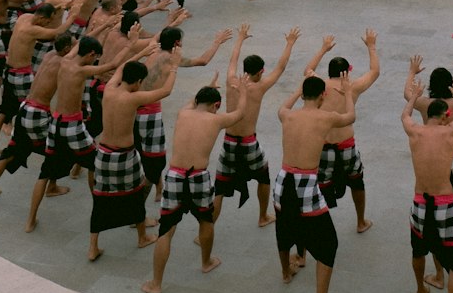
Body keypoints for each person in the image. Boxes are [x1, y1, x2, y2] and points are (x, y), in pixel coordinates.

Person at [141, 76, 247, 293]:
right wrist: (244, 92)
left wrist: (207, 86)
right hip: (198, 176)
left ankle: (156, 283)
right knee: (206, 220)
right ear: (216, 106)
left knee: (166, 230)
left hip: (175, 175)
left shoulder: (182, 113)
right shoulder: (216, 120)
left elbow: (192, 103)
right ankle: (206, 262)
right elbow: (240, 114)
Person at [89, 48, 181, 261]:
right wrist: (174, 66)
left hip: (102, 153)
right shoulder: (134, 98)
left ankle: (92, 246)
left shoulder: (110, 88)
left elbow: (121, 67)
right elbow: (165, 91)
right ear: (138, 81)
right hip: (124, 156)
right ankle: (142, 237)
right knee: (135, 194)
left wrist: (143, 51)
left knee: (100, 199)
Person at [274, 73, 354, 293]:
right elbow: (351, 117)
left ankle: (287, 272)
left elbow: (284, 105)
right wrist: (349, 92)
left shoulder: (286, 115)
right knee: (329, 243)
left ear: (303, 93)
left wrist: (298, 89)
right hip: (305, 183)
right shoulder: (326, 117)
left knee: (284, 226)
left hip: (282, 180)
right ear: (323, 95)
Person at [212, 22, 300, 225]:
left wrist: (240, 38)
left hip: (229, 141)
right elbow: (281, 67)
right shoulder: (259, 87)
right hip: (249, 142)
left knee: (221, 187)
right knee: (263, 176)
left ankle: (208, 228)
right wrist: (289, 43)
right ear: (260, 72)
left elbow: (233, 59)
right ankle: (262, 216)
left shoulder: (231, 80)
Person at [27, 35, 117, 232]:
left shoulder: (66, 61)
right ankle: (100, 210)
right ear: (91, 54)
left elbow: (82, 41)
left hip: (55, 124)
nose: (95, 61)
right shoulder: (82, 70)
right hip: (72, 126)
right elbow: (114, 64)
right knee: (97, 164)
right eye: (95, 57)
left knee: (45, 172)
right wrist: (140, 47)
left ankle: (30, 220)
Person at [136, 23, 233, 200]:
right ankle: (138, 210)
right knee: (155, 162)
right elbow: (203, 61)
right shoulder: (171, 59)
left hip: (135, 108)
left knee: (148, 156)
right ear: (177, 43)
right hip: (149, 113)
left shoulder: (152, 51)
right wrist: (217, 42)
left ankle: (158, 188)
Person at [0, 30, 75, 205]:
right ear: (68, 48)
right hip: (37, 114)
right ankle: (51, 186)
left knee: (12, 150)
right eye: (75, 44)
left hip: (25, 108)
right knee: (58, 150)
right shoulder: (65, 62)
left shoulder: (49, 55)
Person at [403, 79, 453, 293]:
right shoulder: (450, 131)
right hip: (445, 204)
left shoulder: (414, 131)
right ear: (442, 117)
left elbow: (405, 115)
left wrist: (413, 97)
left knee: (418, 250)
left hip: (420, 201)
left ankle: (420, 290)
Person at [304, 30, 379, 231]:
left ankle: (319, 227)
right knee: (357, 182)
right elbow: (374, 72)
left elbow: (308, 69)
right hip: (346, 144)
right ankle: (361, 221)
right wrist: (371, 46)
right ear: (347, 72)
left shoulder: (320, 86)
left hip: (323, 146)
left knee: (320, 188)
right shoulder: (351, 88)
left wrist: (323, 49)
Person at [405, 57, 453, 203]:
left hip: (433, 158)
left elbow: (407, 94)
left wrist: (412, 72)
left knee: (431, 195)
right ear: (451, 85)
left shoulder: (426, 104)